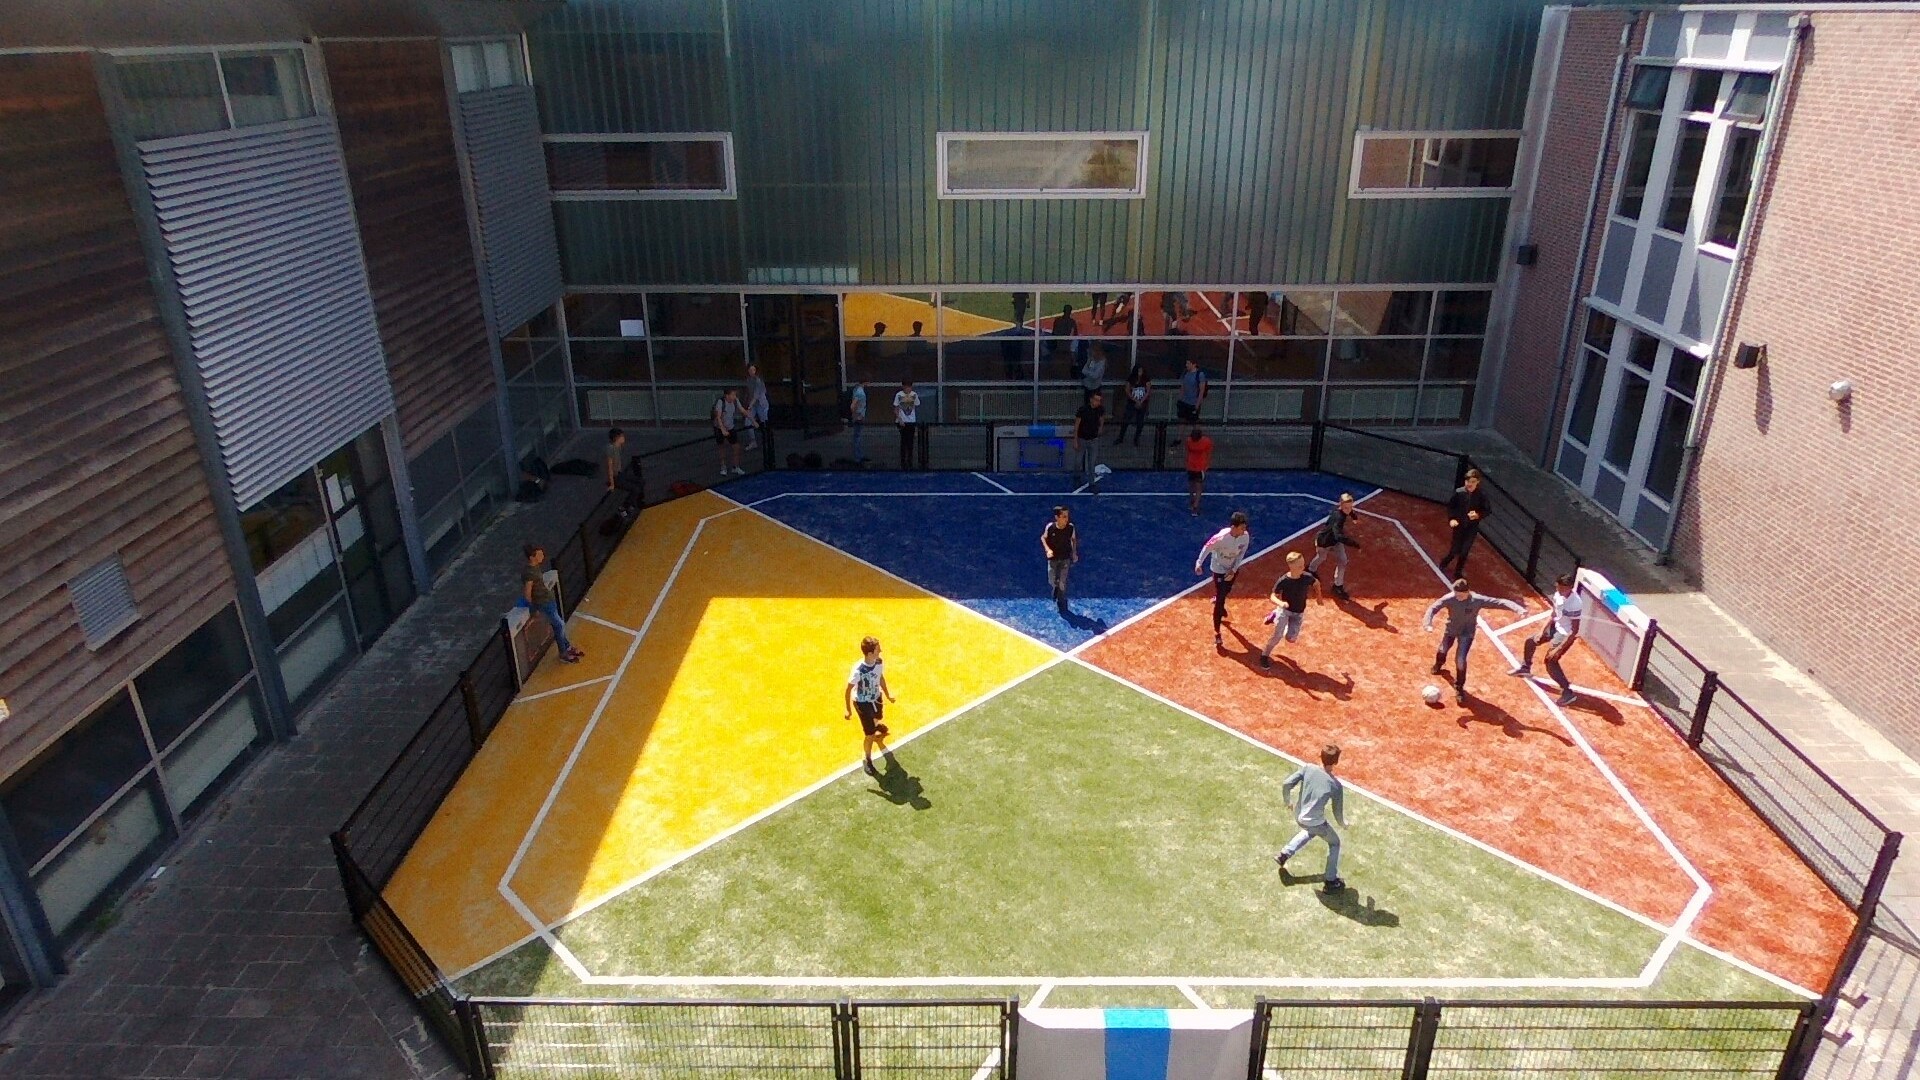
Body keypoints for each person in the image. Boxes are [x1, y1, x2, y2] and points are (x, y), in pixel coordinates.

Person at [1422, 578, 1524, 703]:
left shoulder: (1477, 600)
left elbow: (1499, 602)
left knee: (1460, 660)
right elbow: (1433, 608)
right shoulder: (1449, 598)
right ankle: (1438, 664)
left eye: (1460, 595)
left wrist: (1518, 609)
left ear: (1468, 592)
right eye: (1456, 594)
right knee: (1443, 649)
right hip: (1451, 630)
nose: (1457, 597)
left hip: (1467, 634)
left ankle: (1459, 687)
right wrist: (1427, 623)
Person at [1276, 744, 1347, 894]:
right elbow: (1337, 812)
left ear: (1321, 757)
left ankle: (1284, 854)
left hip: (1299, 816)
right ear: (1336, 762)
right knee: (1335, 843)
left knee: (1310, 830)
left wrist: (1287, 801)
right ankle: (1330, 881)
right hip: (1315, 822)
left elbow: (1287, 784)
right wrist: (1343, 824)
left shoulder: (1308, 768)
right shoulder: (1335, 786)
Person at [1510, 573, 1584, 706]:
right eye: (1558, 587)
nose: (1559, 590)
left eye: (1562, 588)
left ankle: (1568, 692)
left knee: (1550, 661)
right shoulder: (1557, 595)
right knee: (1531, 641)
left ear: (1570, 587)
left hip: (1565, 634)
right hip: (1555, 626)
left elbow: (1574, 630)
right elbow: (1554, 614)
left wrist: (1559, 647)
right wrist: (1541, 631)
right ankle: (1525, 667)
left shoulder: (1576, 603)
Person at [1195, 510, 1252, 646]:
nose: (1245, 530)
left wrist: (1234, 569)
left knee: (1226, 591)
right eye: (1242, 527)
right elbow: (1207, 548)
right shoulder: (1220, 538)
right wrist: (1199, 562)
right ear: (1234, 527)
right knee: (1221, 598)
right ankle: (1217, 632)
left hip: (1231, 568)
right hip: (1219, 569)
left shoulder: (1245, 537)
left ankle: (1218, 599)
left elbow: (1241, 554)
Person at [843, 636, 896, 776]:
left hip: (876, 697)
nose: (881, 651)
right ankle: (866, 758)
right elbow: (848, 690)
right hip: (862, 703)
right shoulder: (858, 671)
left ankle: (875, 725)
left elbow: (880, 677)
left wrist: (888, 694)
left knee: (878, 717)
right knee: (870, 734)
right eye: (878, 649)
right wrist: (848, 710)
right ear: (870, 653)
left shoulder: (878, 662)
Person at [520, 544, 582, 664]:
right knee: (559, 625)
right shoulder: (530, 573)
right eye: (539, 554)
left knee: (558, 625)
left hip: (548, 601)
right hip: (544, 603)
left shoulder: (534, 568)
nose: (542, 556)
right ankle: (563, 652)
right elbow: (527, 593)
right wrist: (533, 609)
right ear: (532, 557)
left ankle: (567, 647)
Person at [1258, 552, 1319, 670]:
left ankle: (1274, 615)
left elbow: (1316, 583)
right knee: (1277, 635)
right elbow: (1272, 596)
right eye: (1300, 565)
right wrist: (1281, 603)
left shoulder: (1307, 577)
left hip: (1298, 613)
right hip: (1284, 610)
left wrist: (1319, 597)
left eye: (1303, 564)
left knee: (1291, 639)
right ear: (1291, 566)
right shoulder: (1284, 580)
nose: (1303, 566)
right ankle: (1264, 655)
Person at [1307, 493, 1361, 600]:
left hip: (1335, 541)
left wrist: (1354, 516)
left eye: (1350, 507)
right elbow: (1338, 535)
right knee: (1322, 557)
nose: (1348, 510)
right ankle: (1310, 570)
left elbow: (1350, 512)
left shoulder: (1343, 511)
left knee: (1343, 560)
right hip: (1324, 541)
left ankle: (1338, 585)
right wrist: (1355, 544)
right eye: (1346, 508)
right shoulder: (1338, 517)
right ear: (1340, 505)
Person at [1441, 468, 1492, 578]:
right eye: (1468, 481)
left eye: (1473, 482)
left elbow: (1487, 510)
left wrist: (1478, 515)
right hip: (1459, 526)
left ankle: (1458, 572)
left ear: (1478, 482)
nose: (1470, 484)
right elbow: (1451, 507)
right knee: (1454, 550)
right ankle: (1445, 561)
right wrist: (1452, 519)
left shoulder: (1481, 495)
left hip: (1471, 528)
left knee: (1464, 551)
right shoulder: (1459, 492)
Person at [1042, 505, 1079, 615]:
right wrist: (1048, 550)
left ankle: (1061, 600)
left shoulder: (1070, 528)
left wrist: (1074, 553)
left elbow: (1073, 540)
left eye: (1067, 516)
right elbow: (1043, 538)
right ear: (1057, 517)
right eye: (1064, 516)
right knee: (1051, 580)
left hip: (1065, 559)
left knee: (1062, 581)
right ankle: (1055, 588)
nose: (1066, 519)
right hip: (1053, 559)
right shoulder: (1050, 527)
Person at [1073, 390, 1105, 490]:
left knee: (1092, 463)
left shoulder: (1100, 409)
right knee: (1078, 461)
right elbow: (1077, 425)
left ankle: (1092, 483)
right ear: (1091, 399)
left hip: (1093, 439)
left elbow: (1102, 418)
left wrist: (1100, 428)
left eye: (1099, 401)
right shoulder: (1083, 410)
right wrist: (1075, 439)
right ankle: (1077, 477)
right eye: (1096, 400)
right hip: (1082, 439)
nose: (1097, 402)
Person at [1113, 363, 1151, 446]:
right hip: (1132, 402)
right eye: (1138, 371)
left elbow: (1148, 391)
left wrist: (1141, 401)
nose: (1140, 372)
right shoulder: (1131, 378)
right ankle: (1121, 437)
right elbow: (1127, 390)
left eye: (1141, 371)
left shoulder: (1146, 379)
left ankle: (1136, 438)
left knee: (1140, 422)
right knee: (1126, 419)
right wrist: (1135, 400)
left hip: (1142, 403)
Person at [712, 387, 746, 476]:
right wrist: (722, 429)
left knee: (736, 447)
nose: (735, 396)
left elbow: (742, 410)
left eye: (735, 395)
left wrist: (753, 420)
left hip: (730, 427)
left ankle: (736, 466)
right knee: (722, 447)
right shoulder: (720, 402)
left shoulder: (735, 400)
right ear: (727, 395)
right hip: (719, 427)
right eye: (733, 395)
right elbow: (718, 417)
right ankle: (723, 467)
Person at [740, 364, 770, 451]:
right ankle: (753, 442)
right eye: (750, 370)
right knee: (748, 423)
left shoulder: (758, 381)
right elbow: (748, 392)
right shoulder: (748, 380)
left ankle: (767, 441)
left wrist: (750, 405)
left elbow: (756, 395)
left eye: (753, 370)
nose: (751, 372)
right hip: (752, 404)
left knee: (764, 422)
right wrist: (745, 402)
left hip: (761, 404)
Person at [893, 380, 920, 470]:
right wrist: (899, 419)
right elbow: (896, 408)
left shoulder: (914, 395)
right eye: (906, 387)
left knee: (910, 442)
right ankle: (903, 461)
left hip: (911, 421)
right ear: (903, 386)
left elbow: (915, 406)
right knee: (903, 442)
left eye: (909, 387)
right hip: (902, 422)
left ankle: (910, 460)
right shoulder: (899, 395)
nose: (908, 389)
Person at [1177, 357, 1209, 422]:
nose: (1186, 365)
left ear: (1194, 364)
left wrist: (1197, 404)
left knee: (1194, 421)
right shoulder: (1186, 373)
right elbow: (1183, 387)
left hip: (1193, 402)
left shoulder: (1200, 375)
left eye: (1188, 363)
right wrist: (1179, 399)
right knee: (1182, 421)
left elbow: (1201, 391)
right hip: (1184, 401)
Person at [848, 378, 869, 463]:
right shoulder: (860, 392)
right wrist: (857, 416)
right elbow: (853, 406)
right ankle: (858, 457)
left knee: (858, 437)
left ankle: (859, 455)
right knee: (857, 437)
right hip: (859, 417)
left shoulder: (856, 389)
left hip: (859, 415)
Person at [604, 427, 627, 493]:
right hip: (615, 476)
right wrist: (612, 484)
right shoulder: (610, 449)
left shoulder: (618, 446)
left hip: (619, 473)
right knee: (635, 488)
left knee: (640, 482)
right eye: (622, 436)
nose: (624, 438)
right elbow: (609, 468)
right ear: (617, 438)